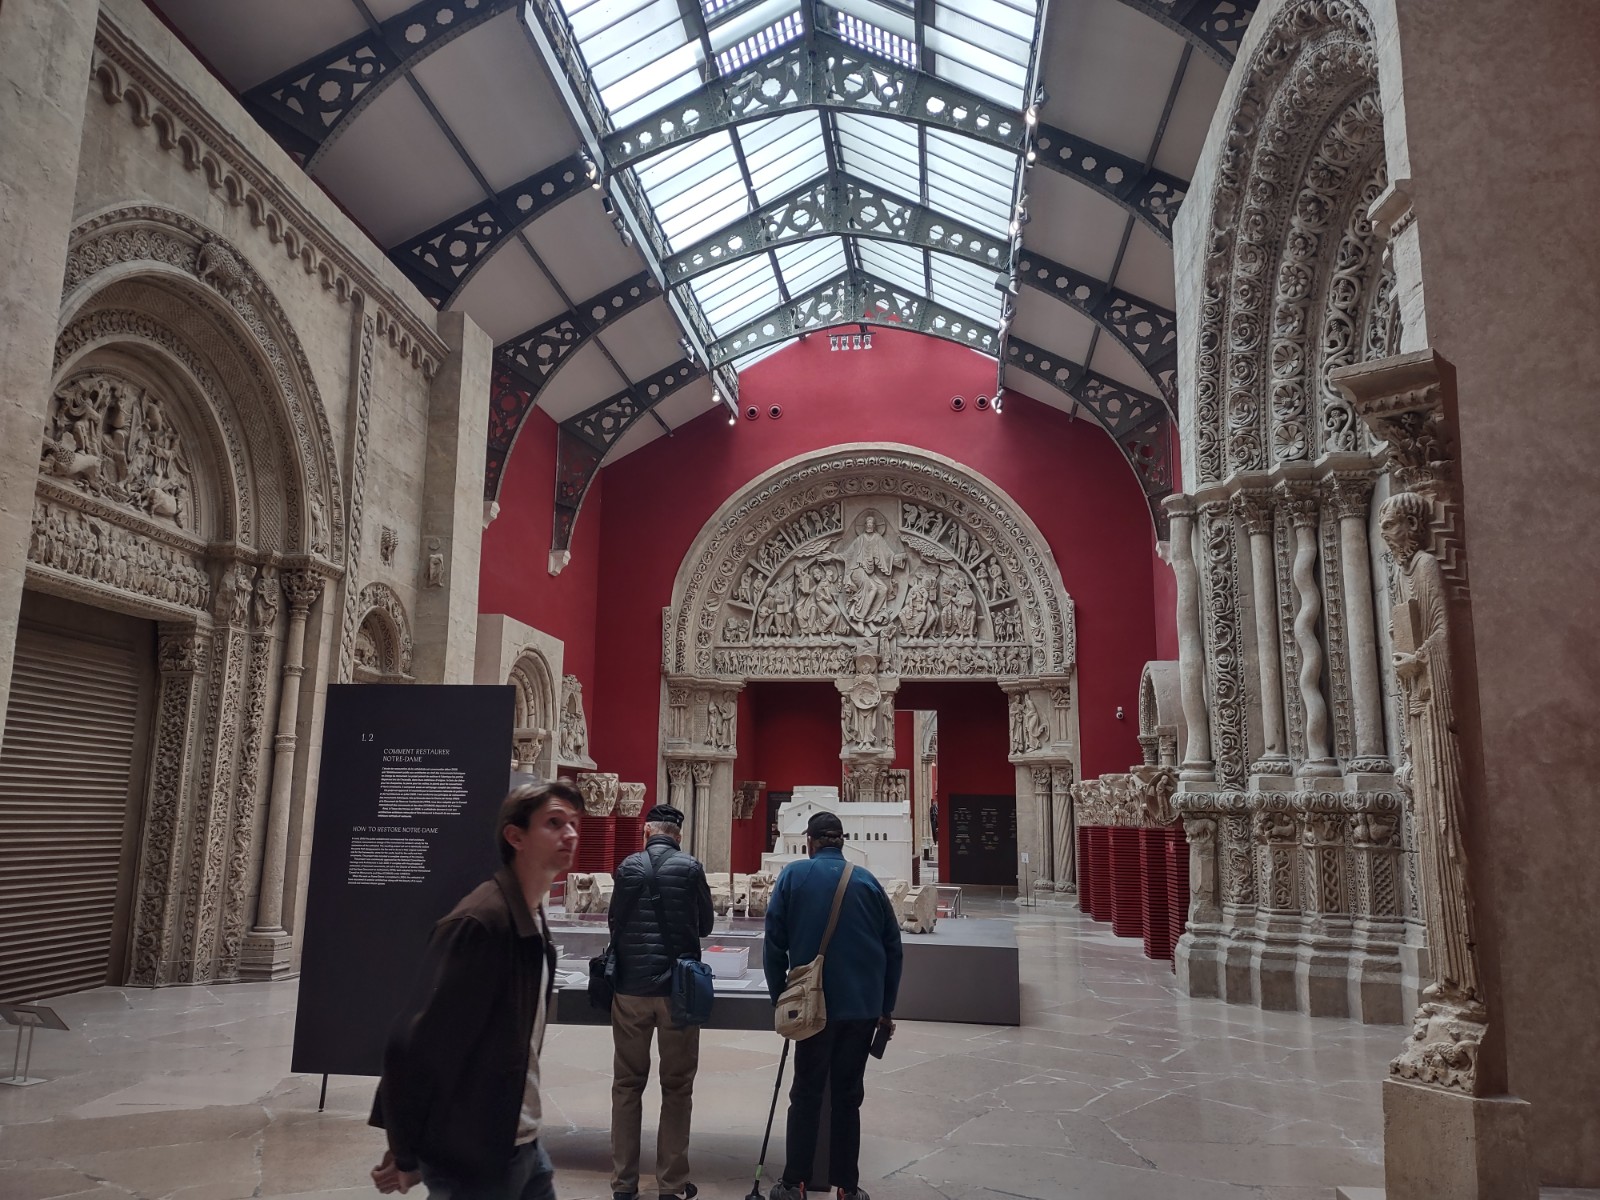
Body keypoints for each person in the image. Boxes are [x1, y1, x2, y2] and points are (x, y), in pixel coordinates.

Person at [369, 780, 582, 1200]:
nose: (571, 834)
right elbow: (415, 1045)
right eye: (555, 823)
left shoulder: (531, 916)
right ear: (515, 836)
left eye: (574, 823)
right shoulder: (481, 923)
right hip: (475, 1154)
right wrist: (405, 1150)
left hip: (520, 1141)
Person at [763, 812, 904, 1200]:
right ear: (842, 841)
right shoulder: (867, 881)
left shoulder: (793, 876)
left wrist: (780, 998)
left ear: (810, 842)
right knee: (847, 1096)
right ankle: (847, 1187)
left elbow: (773, 942)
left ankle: (794, 1182)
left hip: (812, 1007)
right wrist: (885, 1007)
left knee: (806, 1094)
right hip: (861, 1008)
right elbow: (893, 948)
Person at [607, 804, 715, 1200]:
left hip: (631, 990)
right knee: (677, 1087)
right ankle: (670, 1185)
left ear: (646, 832)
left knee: (626, 1085)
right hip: (677, 993)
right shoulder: (690, 868)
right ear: (678, 836)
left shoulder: (627, 867)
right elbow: (706, 925)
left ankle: (623, 1184)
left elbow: (614, 922)